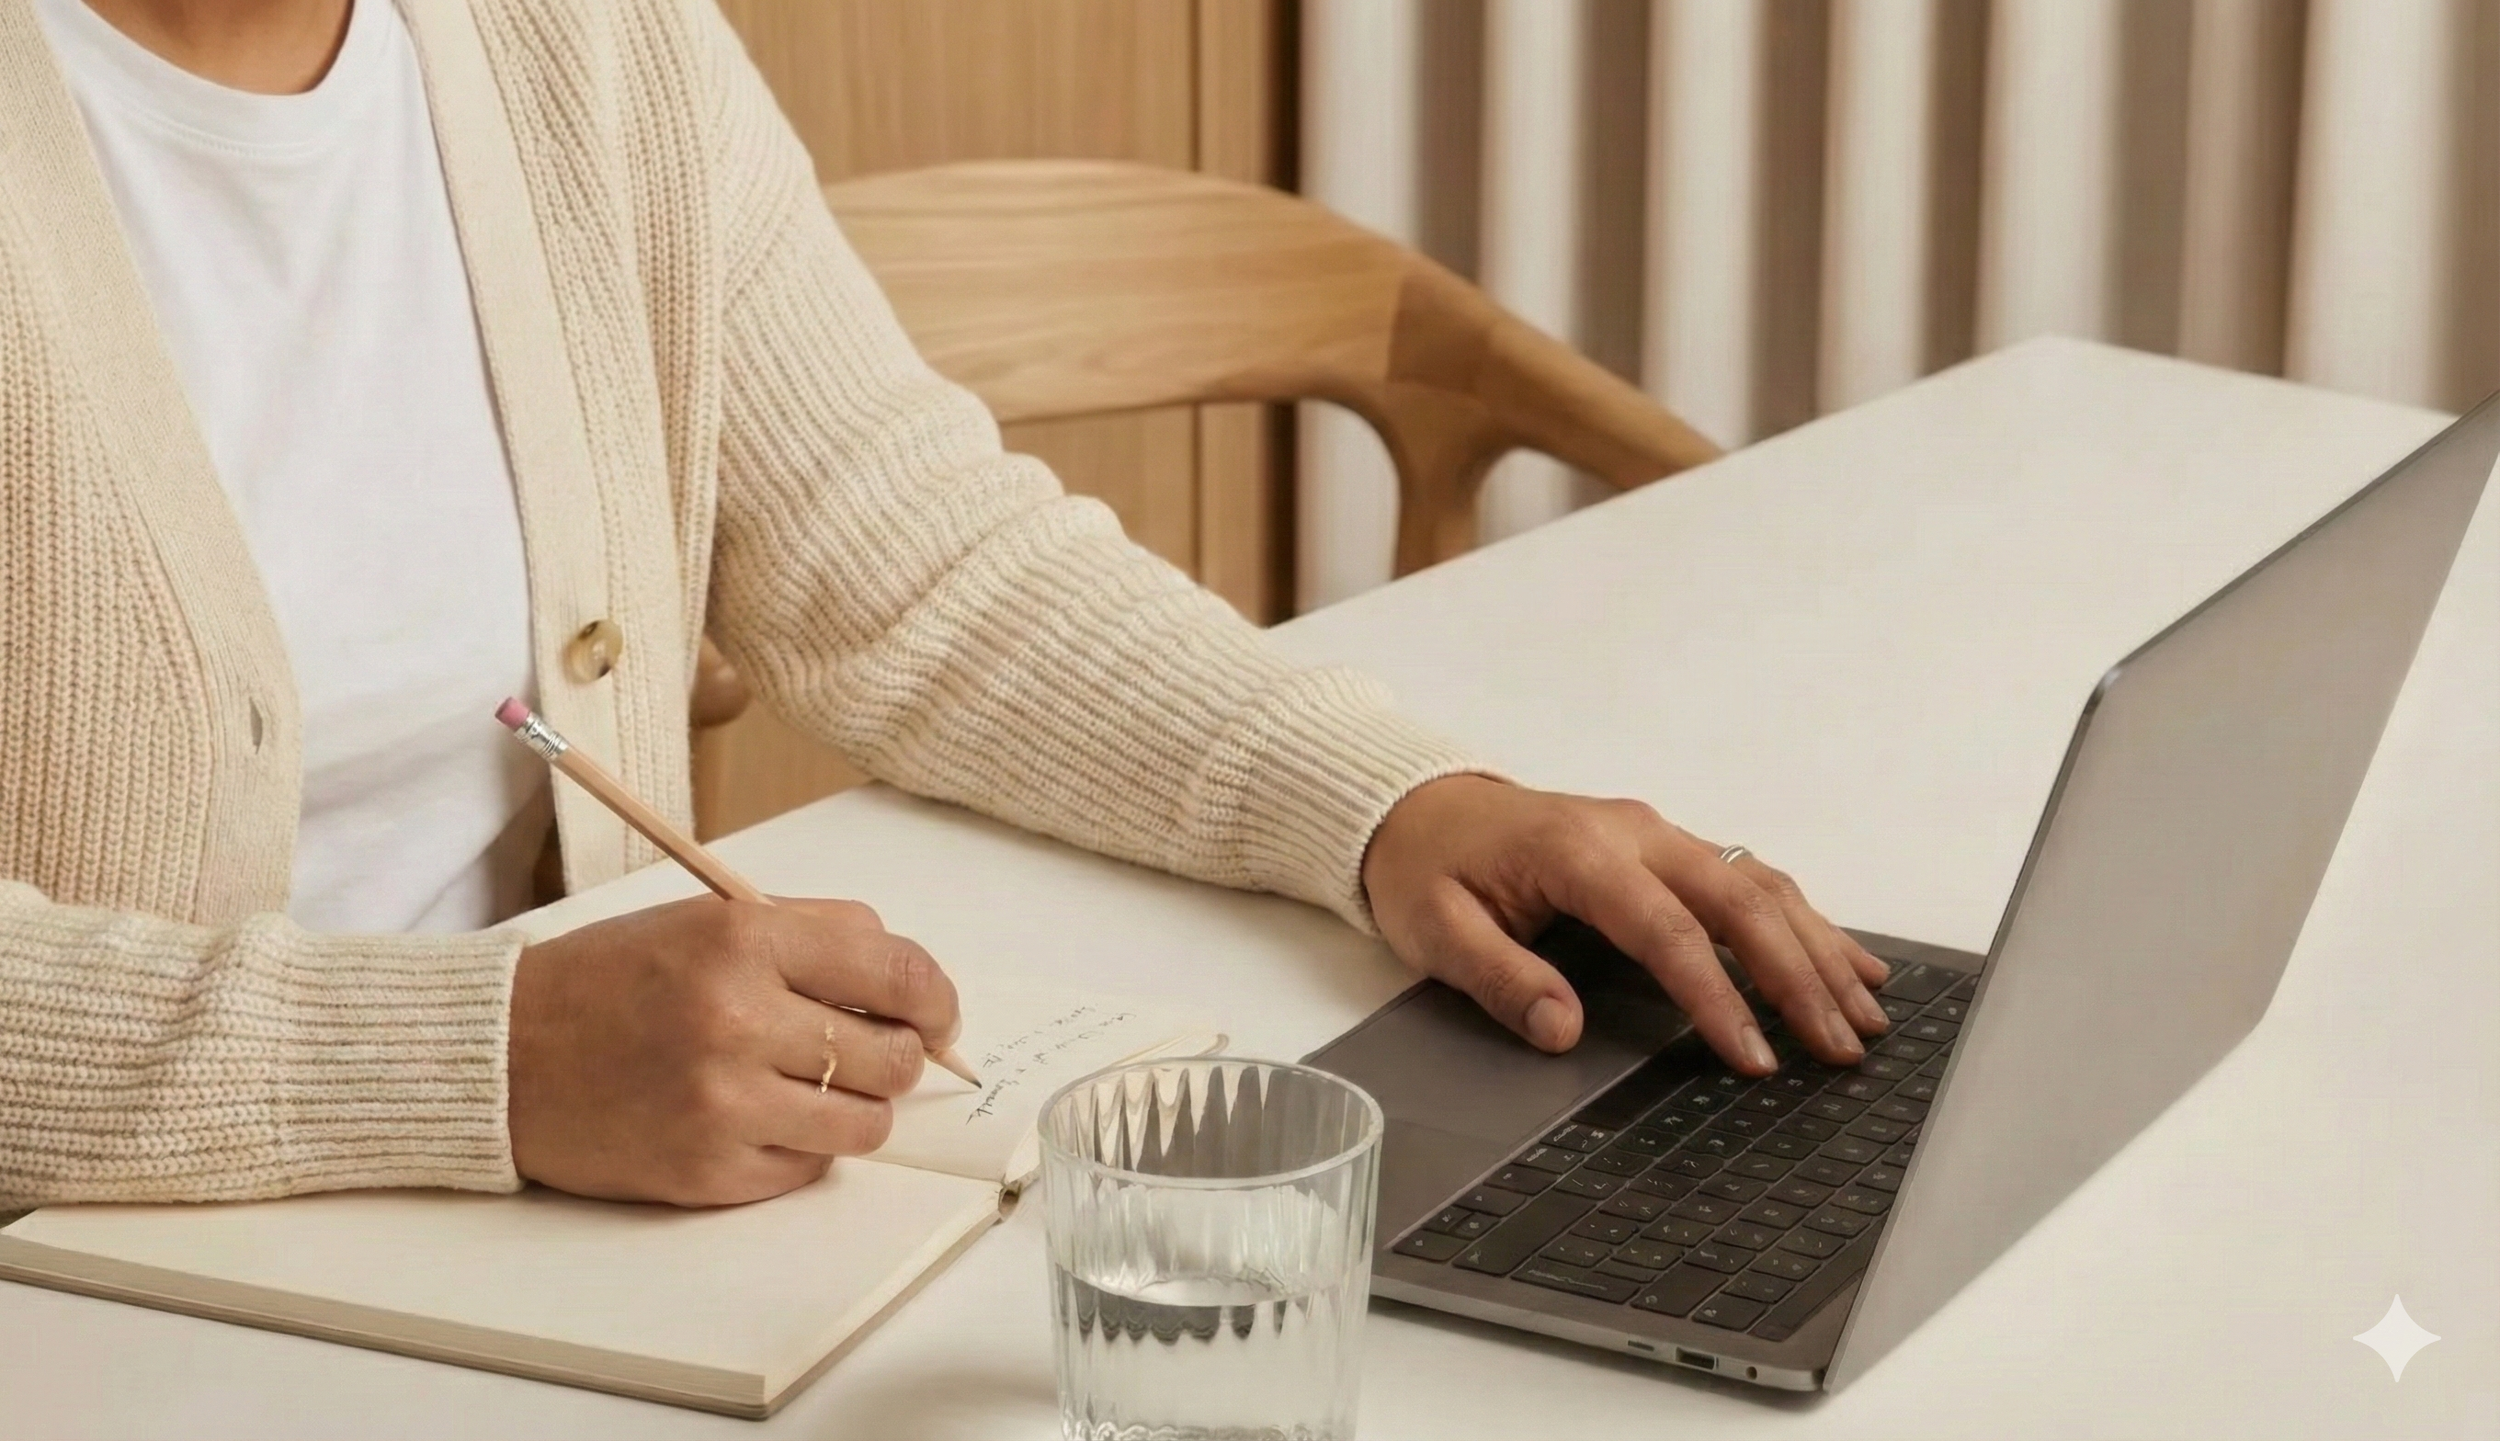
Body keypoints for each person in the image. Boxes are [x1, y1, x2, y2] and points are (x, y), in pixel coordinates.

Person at [0, 0, 1890, 1212]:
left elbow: (925, 567)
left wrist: (1395, 805)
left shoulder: (586, 41)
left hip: (580, 1242)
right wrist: (470, 1065)